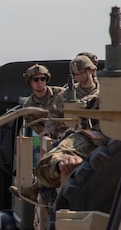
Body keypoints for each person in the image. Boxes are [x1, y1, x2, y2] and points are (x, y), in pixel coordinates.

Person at [35, 54, 103, 188]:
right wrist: (48, 131)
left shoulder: (105, 91)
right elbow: (53, 115)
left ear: (91, 70)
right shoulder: (66, 95)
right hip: (75, 136)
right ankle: (38, 187)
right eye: (75, 74)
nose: (78, 77)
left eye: (80, 73)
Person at [19, 63, 64, 134]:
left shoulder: (61, 93)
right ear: (30, 82)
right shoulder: (28, 107)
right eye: (36, 79)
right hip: (53, 139)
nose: (40, 82)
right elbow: (39, 130)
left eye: (42, 79)